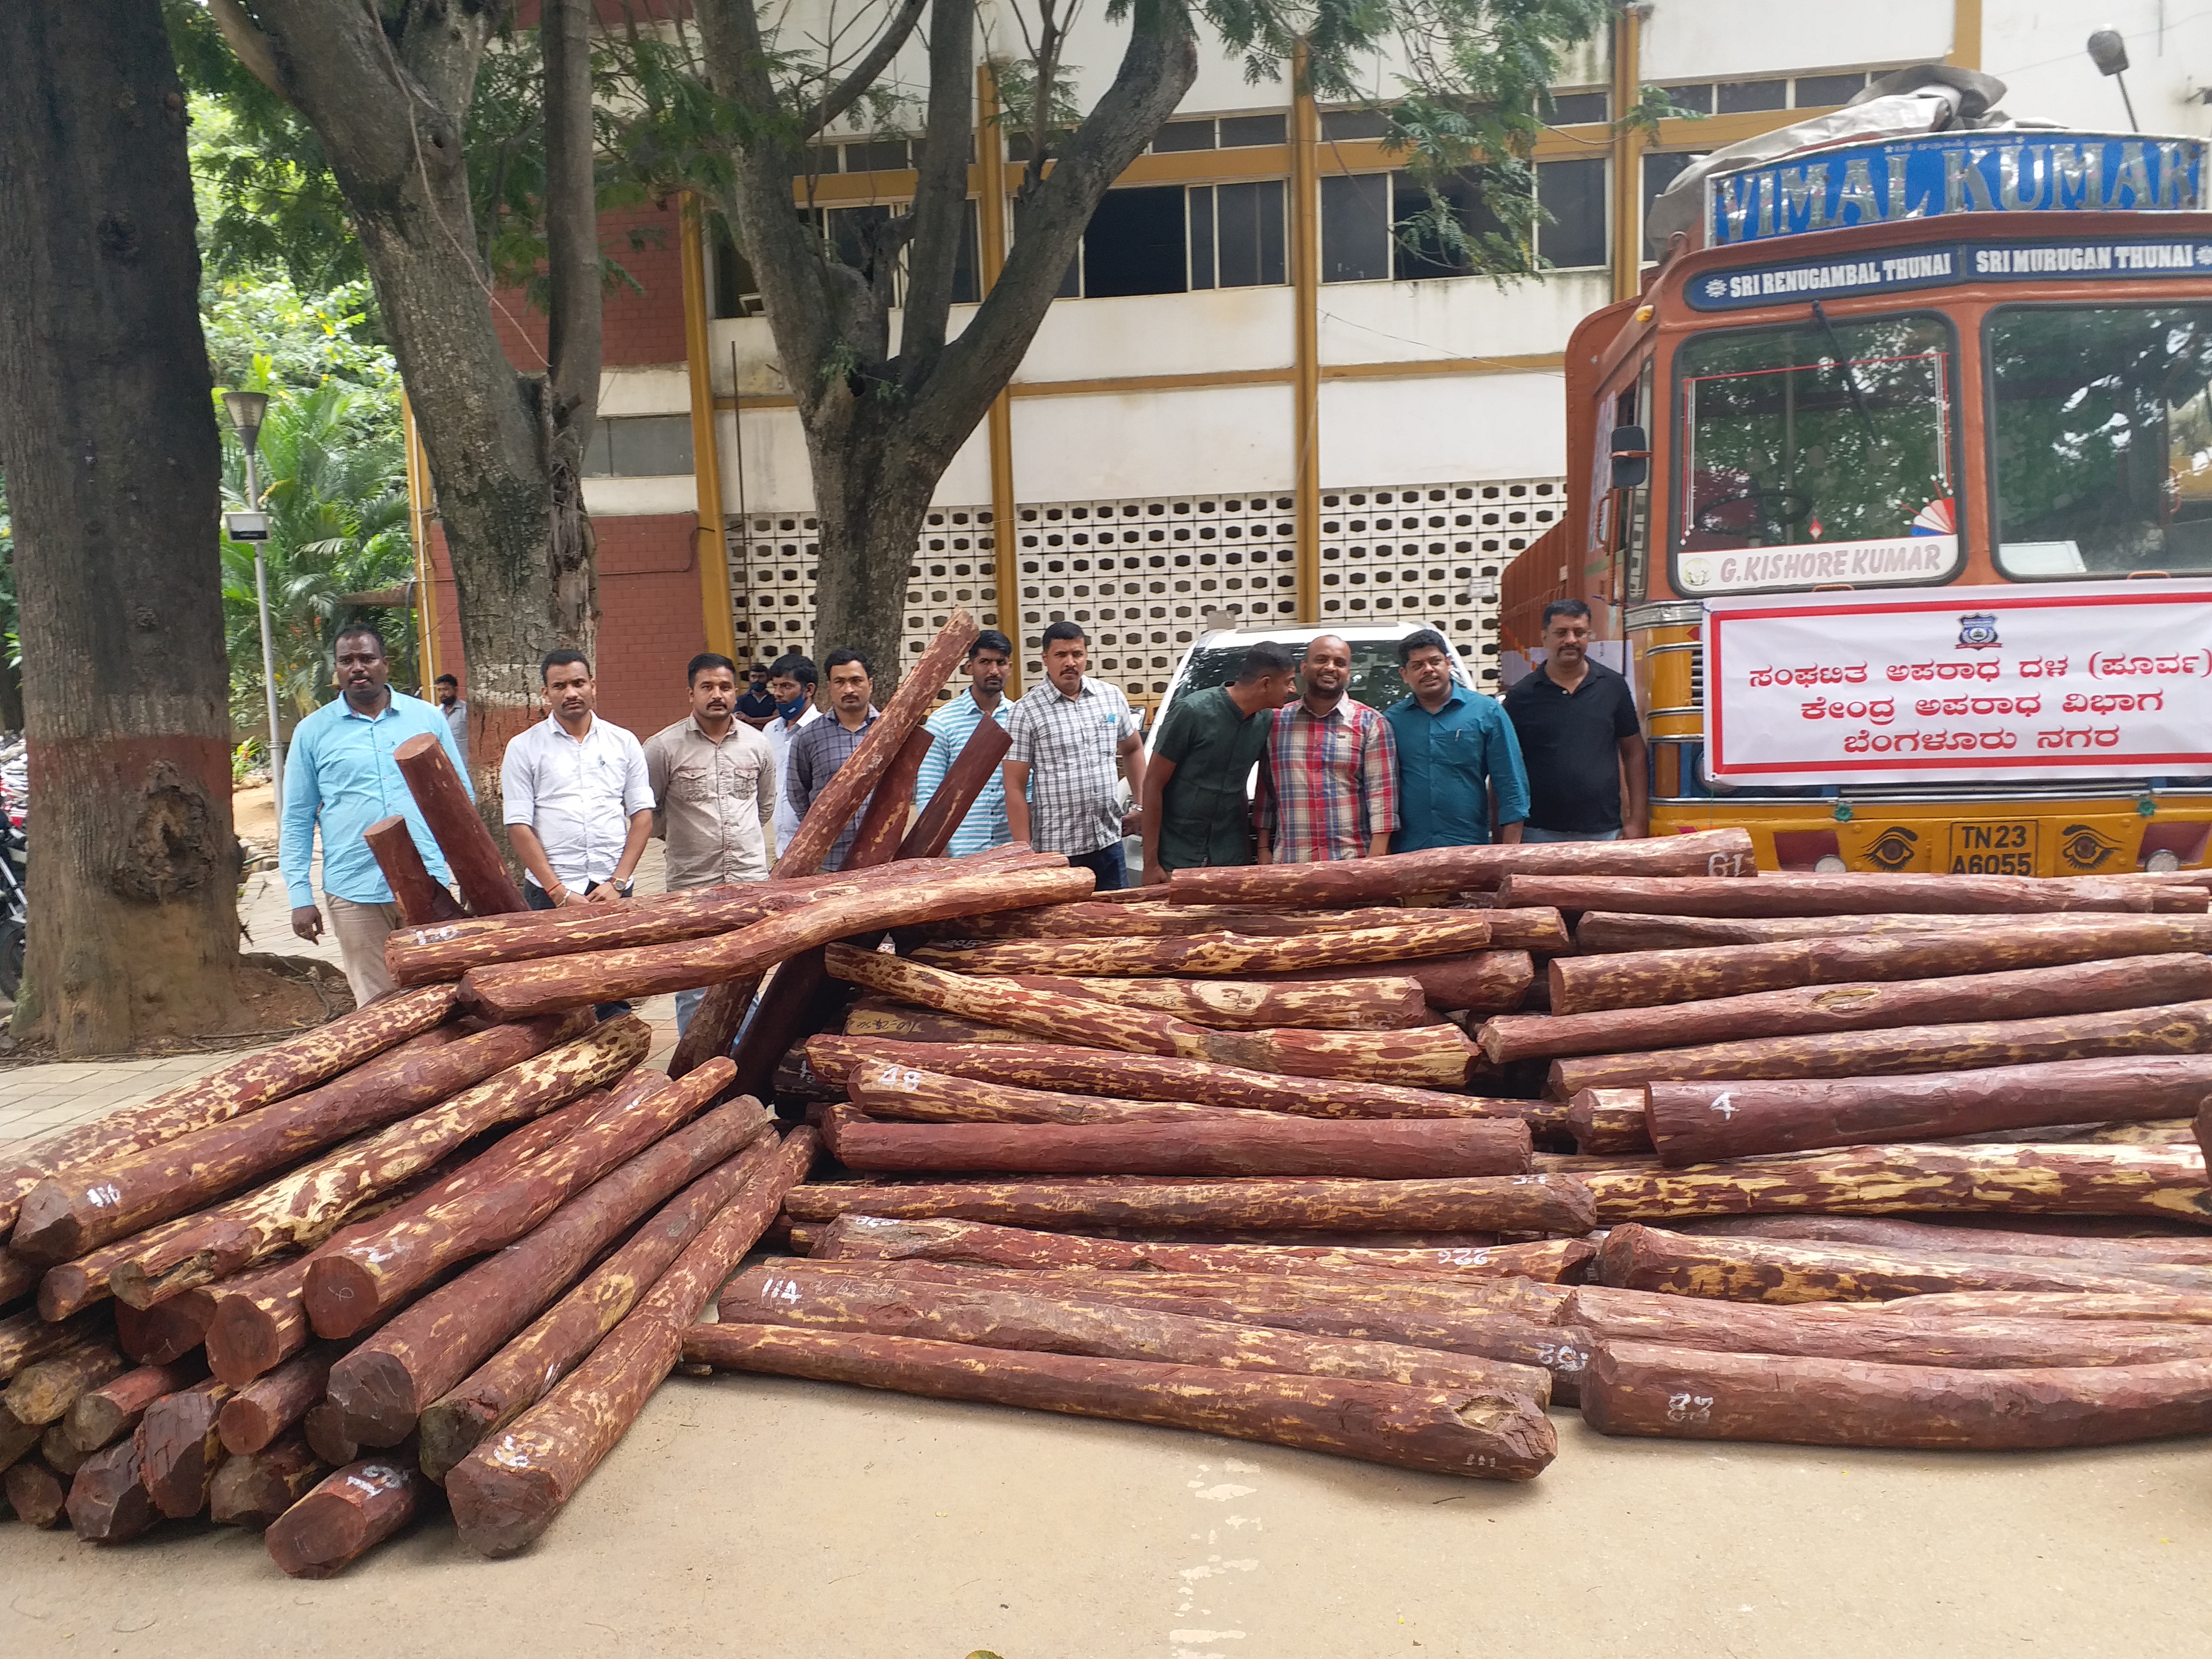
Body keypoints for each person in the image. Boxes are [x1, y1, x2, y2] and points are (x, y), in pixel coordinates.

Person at [281, 623, 467, 1008]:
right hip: (355, 891)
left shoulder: (427, 720)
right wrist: (300, 896)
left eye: (366, 658)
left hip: (428, 886)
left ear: (385, 664)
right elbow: (297, 819)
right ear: (337, 669)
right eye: (347, 661)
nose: (357, 668)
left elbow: (459, 800)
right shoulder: (312, 732)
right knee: (378, 1010)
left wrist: (466, 875)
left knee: (445, 1000)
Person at [643, 652, 780, 1035]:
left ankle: (745, 1069)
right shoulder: (662, 748)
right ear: (691, 693)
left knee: (747, 976)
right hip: (691, 883)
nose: (716, 695)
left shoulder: (758, 745)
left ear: (735, 692)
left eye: (724, 687)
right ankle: (695, 1071)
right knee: (693, 979)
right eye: (707, 687)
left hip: (748, 882)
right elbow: (648, 814)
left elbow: (764, 806)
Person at [501, 649, 655, 910]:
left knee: (621, 953)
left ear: (593, 686)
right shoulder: (523, 747)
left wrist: (619, 882)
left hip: (613, 887)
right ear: (546, 694)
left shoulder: (624, 742)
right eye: (559, 686)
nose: (571, 693)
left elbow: (643, 816)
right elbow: (518, 825)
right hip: (549, 892)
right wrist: (557, 892)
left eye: (578, 683)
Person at [1141, 641, 1298, 883]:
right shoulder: (1192, 712)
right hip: (1178, 855)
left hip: (1230, 856)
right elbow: (1153, 784)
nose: (1293, 689)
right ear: (1265, 683)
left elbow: (1240, 788)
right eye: (1288, 681)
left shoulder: (1265, 721)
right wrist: (1150, 864)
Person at [1004, 622, 1145, 890]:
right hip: (1058, 853)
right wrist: (1023, 853)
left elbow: (1133, 748)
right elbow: (1014, 786)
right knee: (1067, 928)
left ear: (1086, 656)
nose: (1070, 662)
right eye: (1061, 655)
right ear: (1045, 659)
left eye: (1077, 654)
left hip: (1109, 843)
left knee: (1117, 924)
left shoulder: (1110, 697)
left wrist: (1141, 806)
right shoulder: (1025, 712)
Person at [1503, 599, 1648, 842]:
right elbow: (1506, 768)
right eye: (1561, 633)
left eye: (1579, 632)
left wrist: (1638, 822)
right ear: (1544, 637)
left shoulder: (1612, 687)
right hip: (1537, 834)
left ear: (1589, 636)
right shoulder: (1521, 697)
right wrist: (1508, 836)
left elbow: (1634, 753)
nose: (1571, 640)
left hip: (1604, 833)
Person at [1255, 633, 1400, 864]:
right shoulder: (1275, 722)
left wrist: (1376, 861)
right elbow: (1265, 791)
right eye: (1321, 660)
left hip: (1353, 862)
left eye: (1340, 663)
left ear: (1348, 674)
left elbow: (1382, 798)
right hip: (1291, 863)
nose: (1330, 667)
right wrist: (1263, 849)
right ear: (1303, 667)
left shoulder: (1372, 724)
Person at [1384, 628, 1529, 850]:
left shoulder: (1486, 712)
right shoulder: (1391, 722)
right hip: (1407, 852)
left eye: (1435, 661)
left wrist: (1510, 854)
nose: (1428, 670)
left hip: (1468, 850)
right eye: (1418, 665)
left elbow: (1511, 785)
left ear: (1449, 663)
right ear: (1405, 674)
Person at [914, 630, 1016, 857]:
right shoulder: (943, 722)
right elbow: (929, 791)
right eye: (985, 662)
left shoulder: (1019, 719)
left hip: (1010, 850)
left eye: (1001, 663)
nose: (994, 671)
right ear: (969, 667)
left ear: (1010, 667)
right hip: (961, 852)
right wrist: (937, 851)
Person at [786, 647, 879, 871]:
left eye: (857, 681)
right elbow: (798, 794)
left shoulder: (892, 732)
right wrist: (819, 831)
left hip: (882, 857)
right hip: (828, 862)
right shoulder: (808, 737)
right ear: (829, 687)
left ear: (871, 684)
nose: (849, 689)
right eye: (840, 682)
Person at [761, 653, 822, 857]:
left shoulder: (824, 731)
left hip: (817, 845)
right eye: (775, 686)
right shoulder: (771, 731)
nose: (778, 694)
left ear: (809, 690)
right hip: (782, 846)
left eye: (787, 686)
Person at [433, 672, 468, 769]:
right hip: (444, 766)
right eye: (439, 690)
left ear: (456, 690)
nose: (442, 694)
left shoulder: (466, 711)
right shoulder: (436, 714)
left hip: (465, 766)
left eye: (446, 689)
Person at [733, 663, 779, 728]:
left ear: (768, 678)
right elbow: (739, 719)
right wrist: (768, 720)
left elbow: (779, 718)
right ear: (749, 678)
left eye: (761, 677)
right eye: (753, 677)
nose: (757, 680)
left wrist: (751, 720)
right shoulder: (741, 700)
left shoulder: (776, 699)